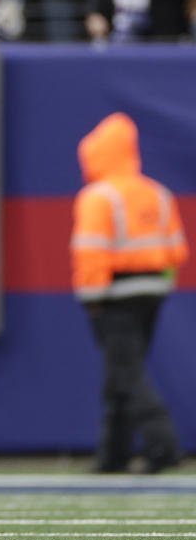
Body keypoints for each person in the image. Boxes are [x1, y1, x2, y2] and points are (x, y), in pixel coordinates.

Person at [71, 112, 188, 474]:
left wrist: (93, 298)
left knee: (127, 374)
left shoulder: (98, 197)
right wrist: (160, 284)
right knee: (119, 373)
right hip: (153, 292)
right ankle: (113, 455)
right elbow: (177, 251)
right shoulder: (158, 193)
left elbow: (90, 253)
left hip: (114, 295)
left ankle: (163, 447)